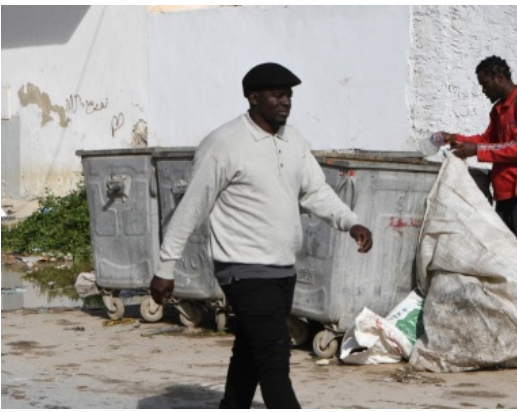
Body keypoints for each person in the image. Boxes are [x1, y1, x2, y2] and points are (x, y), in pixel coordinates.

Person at [149, 62, 373, 409]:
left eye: (289, 95)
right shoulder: (224, 144)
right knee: (274, 357)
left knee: (251, 352)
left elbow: (315, 191)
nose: (285, 102)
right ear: (253, 98)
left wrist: (350, 222)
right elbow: (192, 206)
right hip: (242, 268)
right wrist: (166, 267)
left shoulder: (293, 139)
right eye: (277, 95)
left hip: (283, 268)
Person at [439, 55, 517, 292]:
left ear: (499, 77)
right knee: (511, 262)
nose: (483, 91)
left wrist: (477, 150)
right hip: (507, 196)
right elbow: (489, 140)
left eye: (485, 84)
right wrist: (456, 139)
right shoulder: (499, 110)